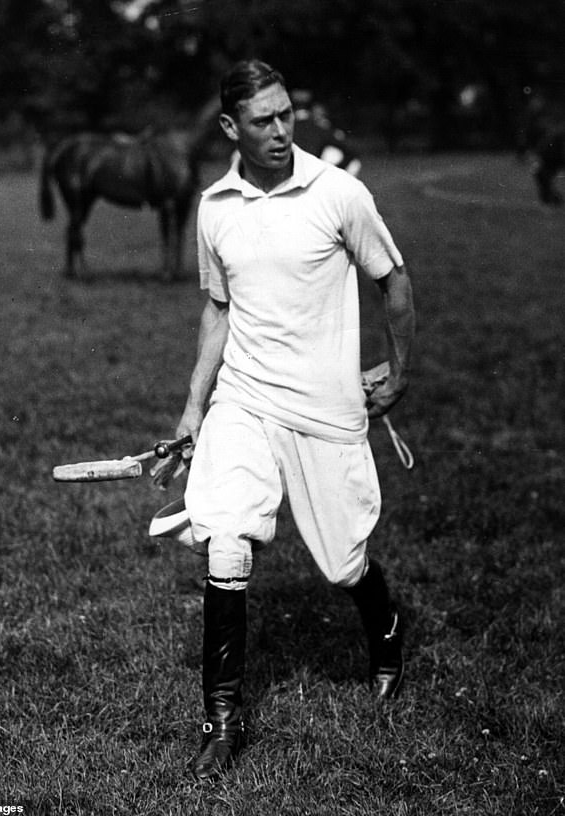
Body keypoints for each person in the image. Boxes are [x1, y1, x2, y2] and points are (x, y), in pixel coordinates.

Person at [172, 59, 415, 781]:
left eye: (286, 116)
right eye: (264, 120)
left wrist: (400, 374)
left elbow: (393, 279)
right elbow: (218, 308)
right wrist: (193, 407)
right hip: (243, 399)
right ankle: (220, 722)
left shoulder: (339, 193)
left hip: (323, 406)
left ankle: (388, 633)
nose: (282, 131)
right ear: (230, 128)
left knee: (343, 559)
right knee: (224, 541)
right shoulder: (215, 205)